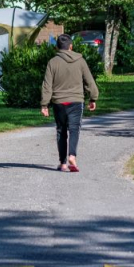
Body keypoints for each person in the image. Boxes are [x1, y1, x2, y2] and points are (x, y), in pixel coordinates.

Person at [40, 35, 98, 172]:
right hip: (76, 101)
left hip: (59, 102)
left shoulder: (52, 62)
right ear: (71, 46)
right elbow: (89, 81)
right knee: (74, 129)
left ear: (57, 47)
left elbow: (47, 85)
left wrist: (44, 105)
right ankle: (72, 155)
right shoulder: (80, 61)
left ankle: (63, 163)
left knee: (61, 131)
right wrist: (93, 98)